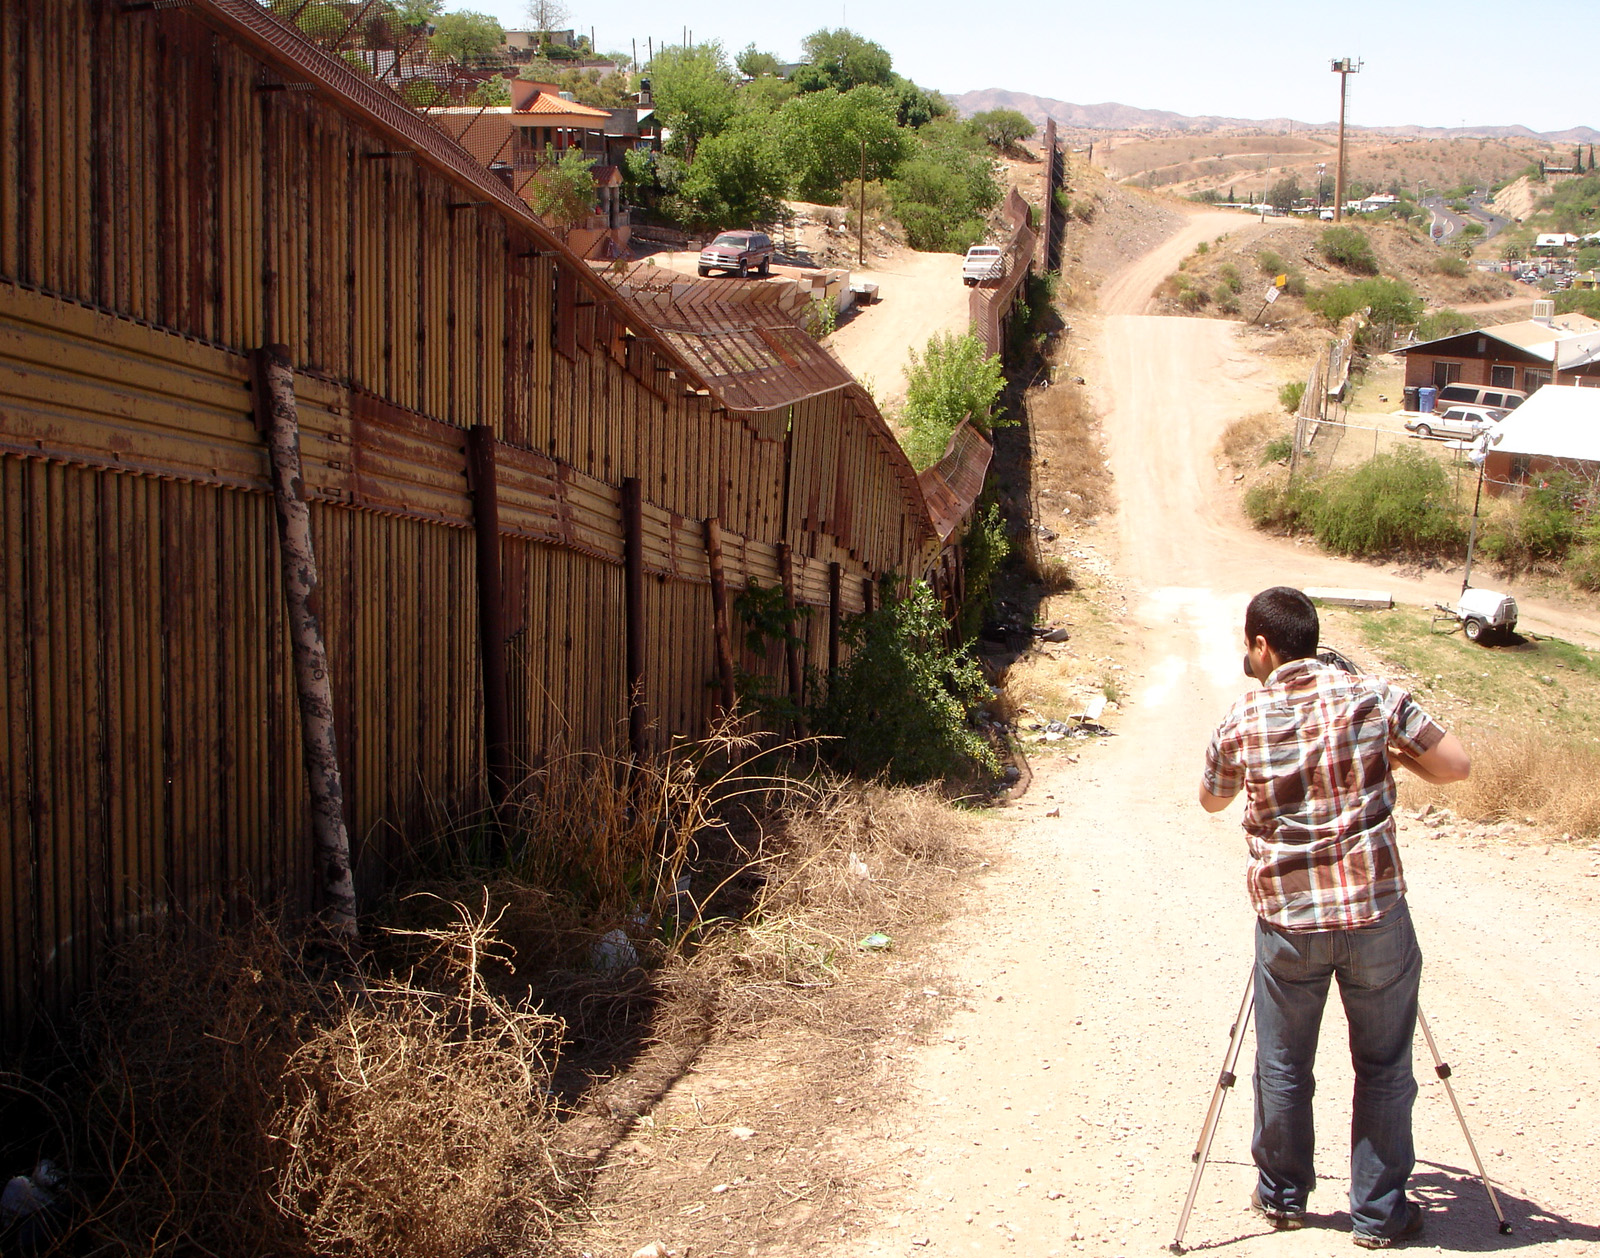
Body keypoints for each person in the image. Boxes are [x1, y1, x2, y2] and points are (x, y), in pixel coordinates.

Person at [1198, 586, 1470, 1250]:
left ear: (1262, 646)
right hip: (1374, 915)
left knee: (1285, 1062)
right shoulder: (1375, 697)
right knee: (1383, 1064)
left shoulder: (1244, 719)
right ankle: (1379, 1215)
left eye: (1248, 646)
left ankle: (1285, 1197)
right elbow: (1456, 765)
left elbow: (1211, 799)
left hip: (1289, 922)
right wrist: (1395, 758)